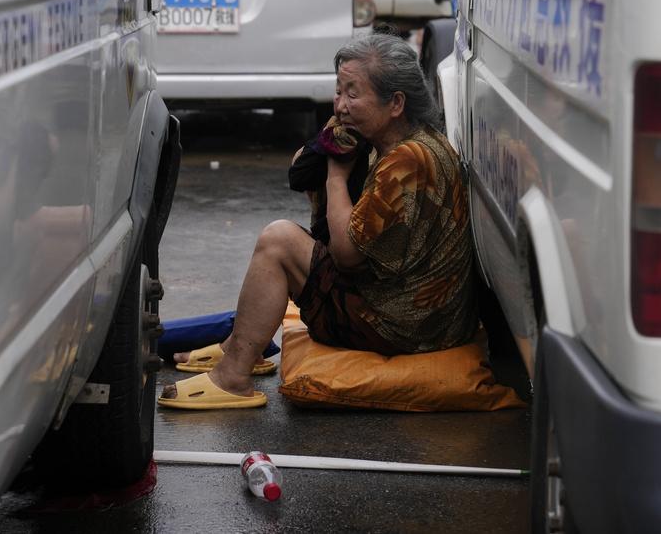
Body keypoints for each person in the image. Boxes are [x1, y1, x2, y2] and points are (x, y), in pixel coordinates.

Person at [159, 34, 477, 409]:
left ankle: (234, 376)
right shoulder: (401, 140)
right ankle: (239, 347)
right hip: (420, 316)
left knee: (279, 242)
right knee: (291, 239)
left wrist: (336, 175)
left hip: (406, 328)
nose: (340, 105)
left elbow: (345, 255)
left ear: (395, 103)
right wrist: (327, 151)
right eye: (338, 90)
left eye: (353, 94)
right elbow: (298, 170)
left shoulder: (407, 161)